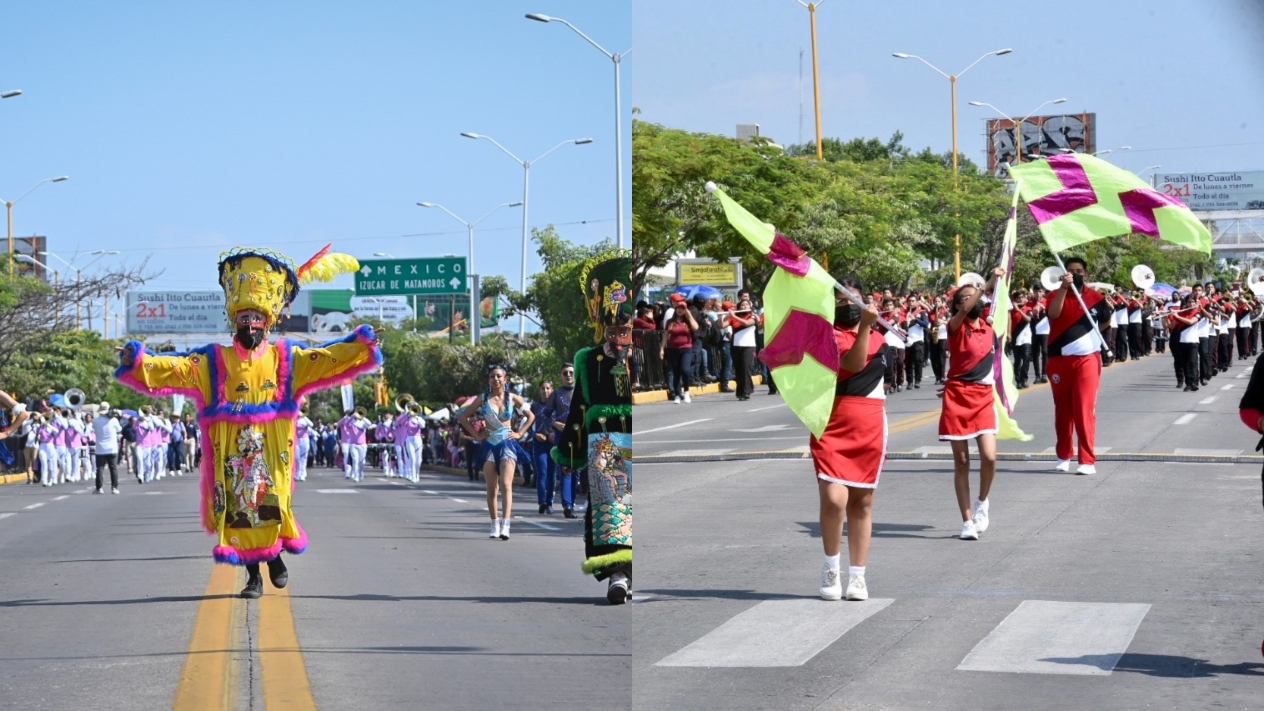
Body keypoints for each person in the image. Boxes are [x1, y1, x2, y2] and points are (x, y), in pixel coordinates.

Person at [115, 244, 381, 599]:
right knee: (239, 508)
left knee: (272, 503)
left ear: (268, 322)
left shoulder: (287, 358)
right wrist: (140, 361)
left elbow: (327, 358)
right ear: (234, 321)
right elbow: (176, 368)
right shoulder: (214, 360)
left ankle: (274, 558)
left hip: (272, 446)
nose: (250, 325)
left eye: (257, 319)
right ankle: (253, 576)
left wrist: (360, 345)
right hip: (232, 448)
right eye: (244, 319)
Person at [553, 254, 633, 604]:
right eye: (613, 329)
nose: (619, 336)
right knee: (612, 506)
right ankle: (619, 573)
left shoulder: (641, 354)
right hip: (605, 443)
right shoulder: (587, 359)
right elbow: (578, 408)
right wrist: (569, 450)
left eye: (625, 330)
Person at [810, 277, 885, 601]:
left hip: (869, 426)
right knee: (834, 499)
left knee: (862, 502)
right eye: (840, 301)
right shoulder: (827, 336)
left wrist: (870, 327)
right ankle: (830, 567)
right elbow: (852, 364)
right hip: (832, 424)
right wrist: (866, 327)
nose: (847, 306)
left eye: (853, 300)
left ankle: (858, 576)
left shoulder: (882, 338)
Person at [939, 269, 1005, 540]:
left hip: (983, 397)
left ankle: (982, 502)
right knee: (962, 461)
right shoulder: (954, 327)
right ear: (957, 306)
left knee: (989, 457)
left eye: (976, 296)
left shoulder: (990, 328)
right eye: (966, 298)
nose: (973, 301)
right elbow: (965, 309)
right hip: (957, 398)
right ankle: (967, 521)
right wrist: (986, 282)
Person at [1044, 257, 1111, 475]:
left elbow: (1106, 320)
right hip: (1059, 360)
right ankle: (1063, 455)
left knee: (1083, 409)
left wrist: (1089, 336)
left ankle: (1087, 459)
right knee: (1063, 410)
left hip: (1087, 359)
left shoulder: (1096, 298)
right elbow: (1053, 314)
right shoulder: (1054, 295)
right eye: (1071, 270)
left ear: (1086, 274)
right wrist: (1064, 288)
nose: (1075, 274)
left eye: (1079, 270)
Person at [458, 366, 534, 541]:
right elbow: (463, 417)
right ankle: (494, 523)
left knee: (507, 485)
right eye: (492, 376)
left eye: (499, 376)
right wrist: (477, 435)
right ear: (488, 379)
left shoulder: (513, 398)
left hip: (507, 443)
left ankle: (506, 524)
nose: (496, 379)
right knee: (492, 489)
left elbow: (531, 416)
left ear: (505, 379)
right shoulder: (483, 399)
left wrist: (520, 433)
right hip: (489, 444)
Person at [660, 294, 698, 404]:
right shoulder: (670, 322)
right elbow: (665, 336)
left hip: (686, 348)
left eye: (683, 309)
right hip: (673, 349)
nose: (680, 311)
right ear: (675, 309)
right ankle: (677, 394)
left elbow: (696, 328)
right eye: (678, 308)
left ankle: (686, 392)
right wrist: (662, 349)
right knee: (676, 372)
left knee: (685, 370)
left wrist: (689, 315)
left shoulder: (687, 322)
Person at [530, 381, 557, 514]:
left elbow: (563, 422)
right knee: (542, 472)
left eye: (548, 388)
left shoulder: (557, 406)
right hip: (539, 443)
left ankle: (550, 501)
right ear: (539, 390)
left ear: (552, 390)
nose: (545, 391)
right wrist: (535, 434)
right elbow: (527, 424)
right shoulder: (534, 406)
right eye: (543, 388)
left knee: (552, 474)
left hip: (553, 444)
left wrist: (555, 434)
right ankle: (542, 502)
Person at [92, 402, 123, 494]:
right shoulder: (113, 420)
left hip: (100, 448)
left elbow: (94, 428)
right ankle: (114, 488)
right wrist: (117, 417)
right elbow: (119, 430)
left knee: (100, 468)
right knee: (113, 468)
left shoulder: (95, 420)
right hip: (112, 448)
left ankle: (99, 488)